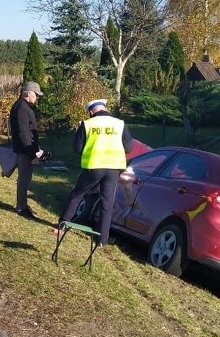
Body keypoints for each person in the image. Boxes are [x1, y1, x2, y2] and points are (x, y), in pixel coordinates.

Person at [56, 99, 133, 248]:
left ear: (91, 112)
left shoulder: (88, 124)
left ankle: (63, 224)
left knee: (77, 195)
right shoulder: (120, 124)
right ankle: (102, 240)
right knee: (107, 203)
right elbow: (129, 148)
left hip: (94, 166)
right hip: (114, 169)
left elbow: (77, 148)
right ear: (105, 108)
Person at [9, 81, 44, 218]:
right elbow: (24, 133)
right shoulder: (22, 108)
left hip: (26, 150)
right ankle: (21, 207)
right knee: (24, 178)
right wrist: (32, 154)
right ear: (29, 93)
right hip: (25, 151)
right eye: (36, 94)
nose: (37, 97)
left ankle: (22, 204)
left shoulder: (23, 106)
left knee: (25, 177)